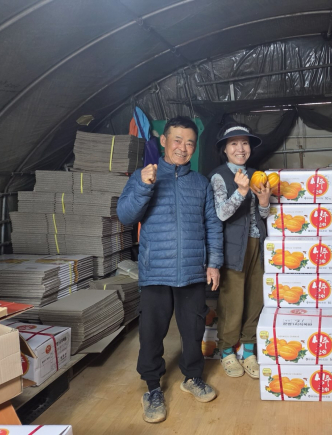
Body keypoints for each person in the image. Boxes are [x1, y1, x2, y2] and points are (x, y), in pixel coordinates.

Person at [117, 116, 223, 423]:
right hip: (156, 270)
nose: (183, 148)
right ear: (163, 141)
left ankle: (192, 377)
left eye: (190, 142)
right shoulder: (144, 177)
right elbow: (126, 216)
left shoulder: (200, 183)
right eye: (177, 140)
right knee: (152, 331)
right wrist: (143, 186)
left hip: (192, 270)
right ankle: (152, 388)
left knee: (193, 329)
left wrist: (214, 263)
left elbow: (212, 224)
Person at [208, 122, 271, 379]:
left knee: (256, 298)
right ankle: (226, 350)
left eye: (244, 143)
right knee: (232, 301)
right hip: (233, 246)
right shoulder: (219, 176)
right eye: (233, 143)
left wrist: (264, 202)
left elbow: (263, 215)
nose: (240, 148)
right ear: (224, 149)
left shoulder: (257, 174)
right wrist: (242, 192)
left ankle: (248, 350)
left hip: (257, 243)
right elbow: (221, 214)